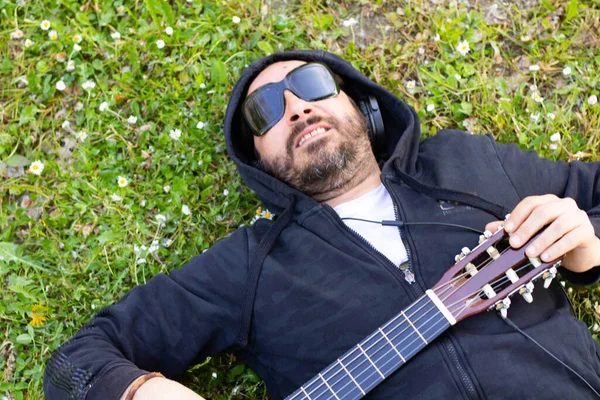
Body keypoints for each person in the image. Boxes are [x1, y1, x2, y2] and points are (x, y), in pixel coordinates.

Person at [44, 50, 600, 400]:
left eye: (310, 85)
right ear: (258, 159)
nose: (295, 109)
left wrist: (588, 242)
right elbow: (77, 364)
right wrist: (142, 391)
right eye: (265, 110)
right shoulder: (249, 265)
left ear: (361, 105)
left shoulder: (466, 162)